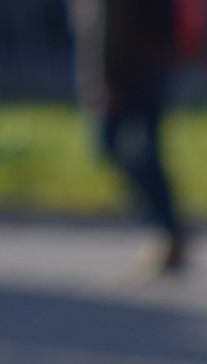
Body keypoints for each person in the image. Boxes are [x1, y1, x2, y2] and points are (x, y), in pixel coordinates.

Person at [71, 0, 188, 278]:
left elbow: (103, 21)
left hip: (127, 73)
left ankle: (166, 228)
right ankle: (167, 229)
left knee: (113, 146)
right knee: (146, 151)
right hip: (153, 64)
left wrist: (102, 79)